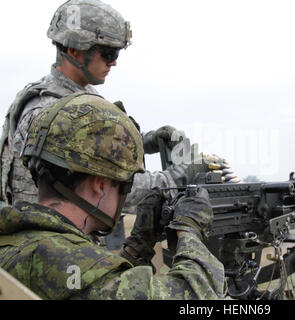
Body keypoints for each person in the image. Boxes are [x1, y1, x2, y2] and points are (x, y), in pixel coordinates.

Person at [0, 0, 235, 209]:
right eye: (108, 53)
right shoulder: (45, 111)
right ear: (74, 50)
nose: (113, 63)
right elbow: (108, 187)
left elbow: (95, 148)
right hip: (46, 247)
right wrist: (178, 178)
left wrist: (146, 142)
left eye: (117, 54)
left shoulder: (80, 98)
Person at [0, 93, 225, 299]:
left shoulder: (19, 240)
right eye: (125, 185)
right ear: (100, 185)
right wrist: (190, 230)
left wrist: (137, 247)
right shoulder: (65, 262)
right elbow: (194, 297)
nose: (124, 195)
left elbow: (107, 286)